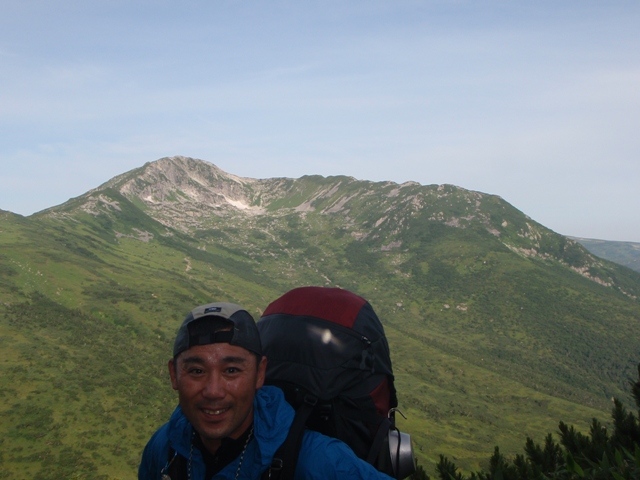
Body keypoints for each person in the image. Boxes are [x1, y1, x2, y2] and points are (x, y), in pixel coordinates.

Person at [138, 302, 394, 480]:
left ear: (260, 373)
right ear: (174, 375)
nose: (213, 391)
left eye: (231, 371)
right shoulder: (166, 448)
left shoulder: (317, 460)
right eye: (196, 371)